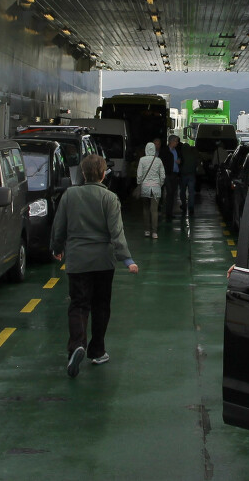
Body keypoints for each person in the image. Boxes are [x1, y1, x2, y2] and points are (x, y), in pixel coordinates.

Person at [50, 153, 138, 377]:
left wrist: (57, 247)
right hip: (103, 261)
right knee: (101, 305)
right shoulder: (109, 198)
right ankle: (97, 351)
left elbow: (59, 226)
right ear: (102, 173)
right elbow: (116, 232)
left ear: (82, 172)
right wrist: (127, 259)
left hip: (78, 260)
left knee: (79, 304)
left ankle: (77, 344)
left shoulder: (69, 195)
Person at [135, 141, 165, 238]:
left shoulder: (142, 160)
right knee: (154, 210)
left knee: (146, 209)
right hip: (156, 188)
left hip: (145, 188)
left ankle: (147, 231)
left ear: (146, 150)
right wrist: (159, 184)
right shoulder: (159, 160)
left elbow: (139, 175)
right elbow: (163, 176)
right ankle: (155, 232)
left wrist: (139, 183)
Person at [168, 135, 198, 221]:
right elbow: (196, 164)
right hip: (192, 175)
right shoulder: (193, 156)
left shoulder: (180, 155)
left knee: (183, 191)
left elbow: (179, 164)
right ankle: (191, 207)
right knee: (191, 192)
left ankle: (184, 205)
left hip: (183, 176)